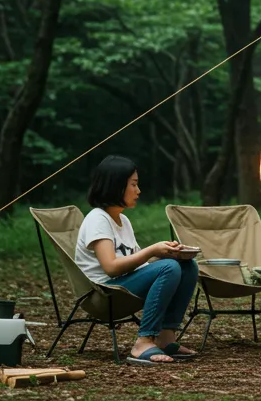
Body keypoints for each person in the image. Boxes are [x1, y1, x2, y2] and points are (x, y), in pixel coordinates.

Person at [75, 155, 199, 365]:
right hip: (104, 293)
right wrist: (152, 250)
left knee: (187, 266)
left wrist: (166, 253)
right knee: (169, 268)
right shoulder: (97, 219)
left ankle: (165, 338)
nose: (138, 190)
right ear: (115, 186)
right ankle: (143, 341)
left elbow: (138, 263)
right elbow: (111, 267)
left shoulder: (122, 220)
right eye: (133, 184)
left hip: (123, 284)